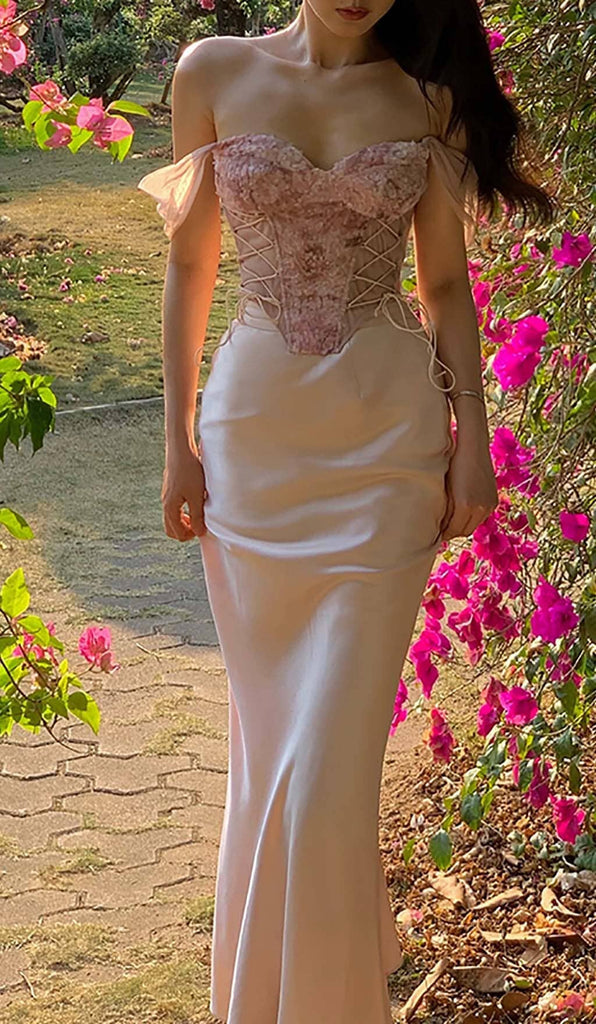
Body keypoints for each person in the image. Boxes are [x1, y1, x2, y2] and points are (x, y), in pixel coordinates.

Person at [137, 1, 553, 1020]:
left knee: (326, 768)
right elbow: (190, 263)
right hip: (255, 448)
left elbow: (444, 284)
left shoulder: (424, 97)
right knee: (274, 752)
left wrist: (472, 439)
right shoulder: (211, 72)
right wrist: (177, 441)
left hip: (384, 452)